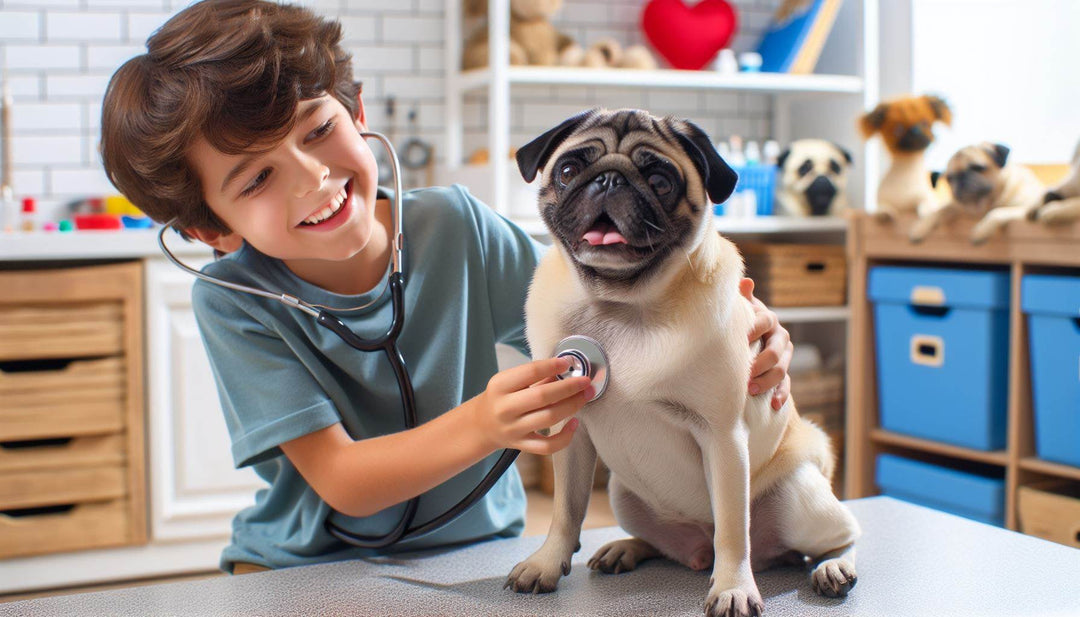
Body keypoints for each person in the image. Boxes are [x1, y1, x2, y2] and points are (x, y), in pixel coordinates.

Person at [99, 0, 794, 574]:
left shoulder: (455, 227)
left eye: (317, 131)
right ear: (209, 228)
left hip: (476, 555)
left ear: (357, 109)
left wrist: (741, 332)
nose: (312, 178)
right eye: (254, 179)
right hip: (300, 565)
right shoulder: (232, 299)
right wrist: (484, 424)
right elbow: (341, 478)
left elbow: (605, 317)